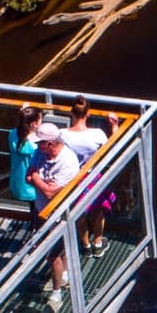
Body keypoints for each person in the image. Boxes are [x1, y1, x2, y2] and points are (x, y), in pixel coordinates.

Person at [26, 119, 80, 310]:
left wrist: (36, 179)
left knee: (52, 256)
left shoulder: (68, 162)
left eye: (39, 143)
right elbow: (28, 175)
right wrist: (38, 180)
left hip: (60, 216)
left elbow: (49, 192)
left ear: (50, 144)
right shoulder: (39, 153)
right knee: (57, 252)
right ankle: (63, 275)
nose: (36, 146)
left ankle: (56, 292)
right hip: (42, 211)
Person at [59, 104, 115, 255]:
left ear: (72, 113)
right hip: (93, 177)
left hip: (73, 179)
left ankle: (86, 246)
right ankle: (98, 244)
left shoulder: (62, 134)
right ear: (88, 113)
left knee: (79, 214)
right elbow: (112, 148)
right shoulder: (97, 134)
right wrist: (114, 127)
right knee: (98, 211)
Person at [8, 105, 43, 203]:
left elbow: (20, 130)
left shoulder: (12, 134)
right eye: (40, 120)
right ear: (34, 124)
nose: (42, 122)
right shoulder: (37, 146)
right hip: (33, 189)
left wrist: (24, 112)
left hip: (17, 185)